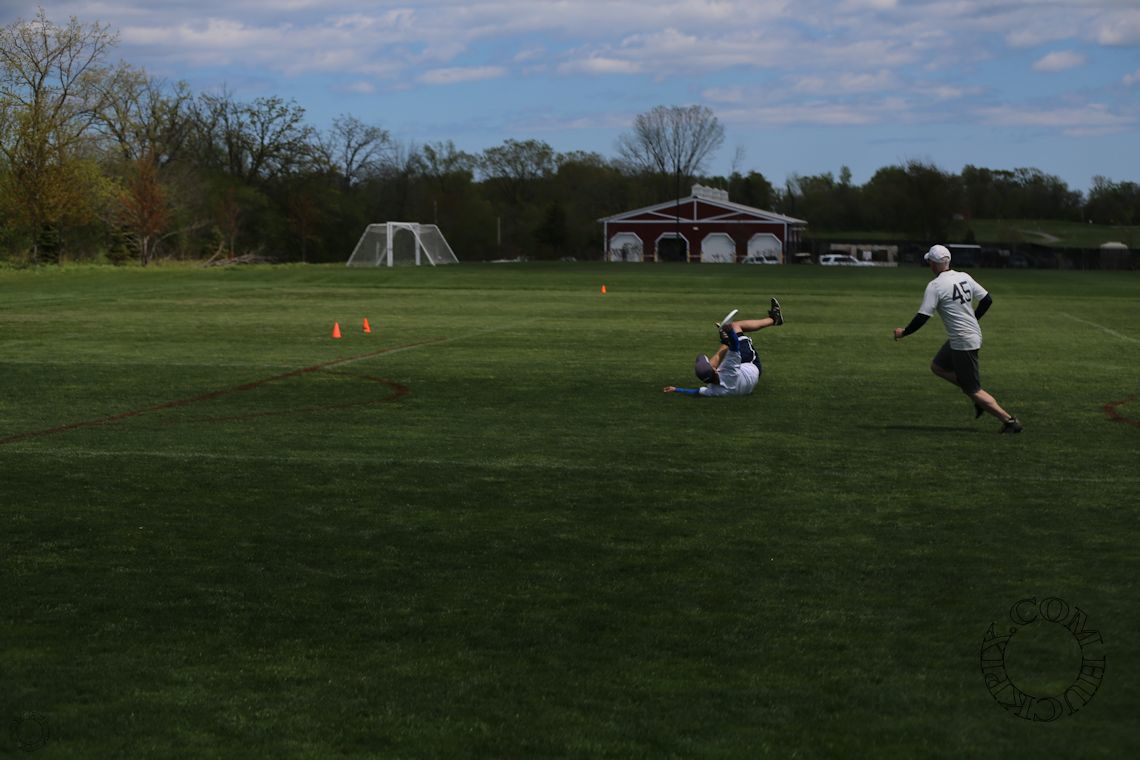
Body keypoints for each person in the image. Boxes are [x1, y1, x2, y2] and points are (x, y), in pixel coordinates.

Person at [893, 244, 1023, 433]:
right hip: (966, 336)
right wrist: (973, 319)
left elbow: (922, 317)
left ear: (933, 264)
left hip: (964, 341)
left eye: (930, 262)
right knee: (937, 366)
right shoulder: (964, 276)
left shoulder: (935, 286)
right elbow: (987, 300)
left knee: (974, 389)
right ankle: (976, 396)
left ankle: (1010, 422)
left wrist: (904, 332)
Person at [664, 299, 783, 397]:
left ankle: (725, 340)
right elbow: (735, 345)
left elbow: (696, 392)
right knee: (736, 326)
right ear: (715, 371)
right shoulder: (729, 369)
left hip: (743, 385)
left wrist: (676, 389)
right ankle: (774, 319)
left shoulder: (713, 391)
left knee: (722, 353)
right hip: (751, 366)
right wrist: (729, 331)